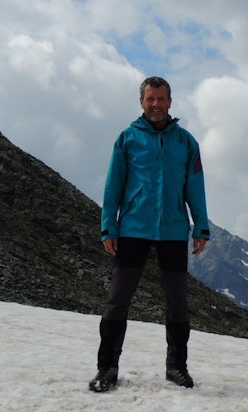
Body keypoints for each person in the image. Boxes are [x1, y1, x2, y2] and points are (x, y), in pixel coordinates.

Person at [89, 76, 210, 392]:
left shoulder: (186, 142)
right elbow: (113, 186)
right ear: (141, 102)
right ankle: (107, 368)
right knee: (118, 300)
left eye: (161, 99)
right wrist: (108, 227)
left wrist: (201, 225)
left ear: (170, 101)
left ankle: (176, 368)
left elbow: (195, 187)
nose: (156, 105)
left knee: (178, 303)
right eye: (150, 99)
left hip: (172, 230)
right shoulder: (127, 139)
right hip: (133, 229)